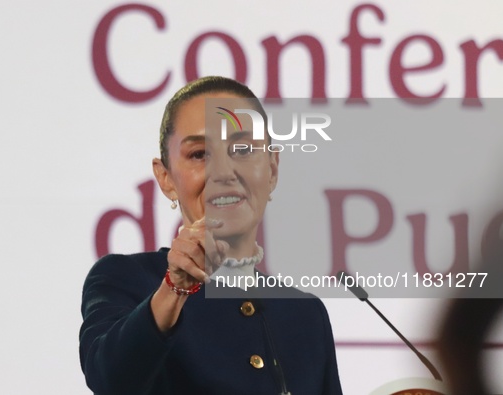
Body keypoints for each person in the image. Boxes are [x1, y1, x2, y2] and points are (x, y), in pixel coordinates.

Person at [79, 76, 343, 394]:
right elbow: (109, 379)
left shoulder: (305, 313)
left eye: (243, 150)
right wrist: (173, 289)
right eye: (199, 154)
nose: (223, 172)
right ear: (166, 178)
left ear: (272, 169)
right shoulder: (127, 278)